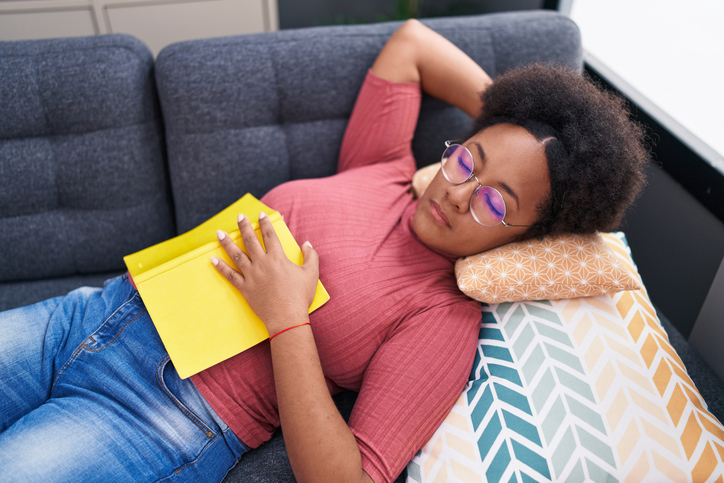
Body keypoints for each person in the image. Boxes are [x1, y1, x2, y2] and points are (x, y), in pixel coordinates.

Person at [0, 19, 647, 483]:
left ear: (524, 238)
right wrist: (529, 130)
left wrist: (287, 316)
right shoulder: (383, 165)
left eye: (498, 203)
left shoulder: (441, 319)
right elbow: (413, 44)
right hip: (94, 312)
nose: (458, 194)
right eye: (466, 161)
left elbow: (350, 476)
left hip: (159, 411)